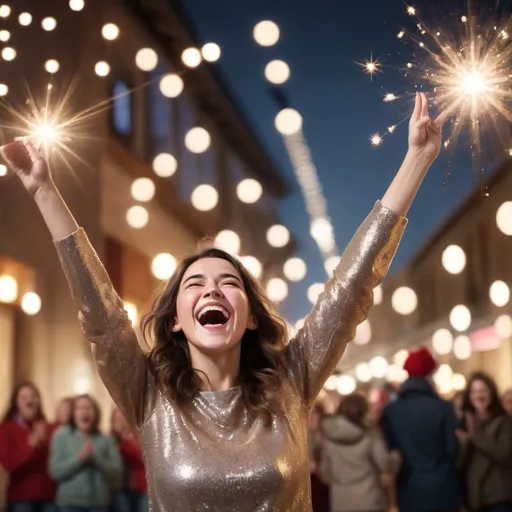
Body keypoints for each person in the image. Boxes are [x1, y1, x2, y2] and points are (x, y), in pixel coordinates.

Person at [0, 92, 447, 511]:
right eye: (194, 284)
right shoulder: (148, 395)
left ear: (251, 316)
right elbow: (101, 314)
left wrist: (416, 160)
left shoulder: (291, 382)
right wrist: (44, 191)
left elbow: (351, 287)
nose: (212, 290)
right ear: (175, 320)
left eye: (228, 282)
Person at [380, 347, 461, 512]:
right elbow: (452, 450)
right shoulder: (443, 407)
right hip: (443, 490)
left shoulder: (391, 411)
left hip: (409, 490)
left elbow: (389, 450)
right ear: (430, 374)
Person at [319, 393, 399, 512]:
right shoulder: (370, 436)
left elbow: (325, 473)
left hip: (341, 501)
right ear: (363, 412)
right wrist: (396, 456)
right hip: (369, 498)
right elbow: (385, 465)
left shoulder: (329, 438)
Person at [49, 394, 123, 512]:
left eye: (89, 408)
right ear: (73, 413)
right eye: (80, 408)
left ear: (96, 413)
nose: (85, 412)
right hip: (69, 504)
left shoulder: (106, 439)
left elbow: (117, 473)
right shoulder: (61, 436)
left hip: (99, 504)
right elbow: (55, 471)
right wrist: (80, 459)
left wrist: (96, 458)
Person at [457, 372, 512, 512]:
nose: (478, 395)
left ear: (491, 393)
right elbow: (459, 463)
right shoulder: (464, 422)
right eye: (474, 391)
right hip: (474, 499)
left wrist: (475, 435)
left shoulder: (504, 421)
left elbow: (503, 454)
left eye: (483, 390)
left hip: (498, 498)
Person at [0, 382, 56, 512]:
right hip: (21, 499)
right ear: (16, 403)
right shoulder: (6, 428)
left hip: (49, 496)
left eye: (33, 396)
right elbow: (7, 464)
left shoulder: (49, 427)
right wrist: (30, 445)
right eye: (24, 397)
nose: (30, 400)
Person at [111, 408, 147, 512]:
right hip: (122, 487)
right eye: (117, 419)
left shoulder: (139, 437)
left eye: (123, 417)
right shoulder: (112, 440)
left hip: (142, 486)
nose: (121, 421)